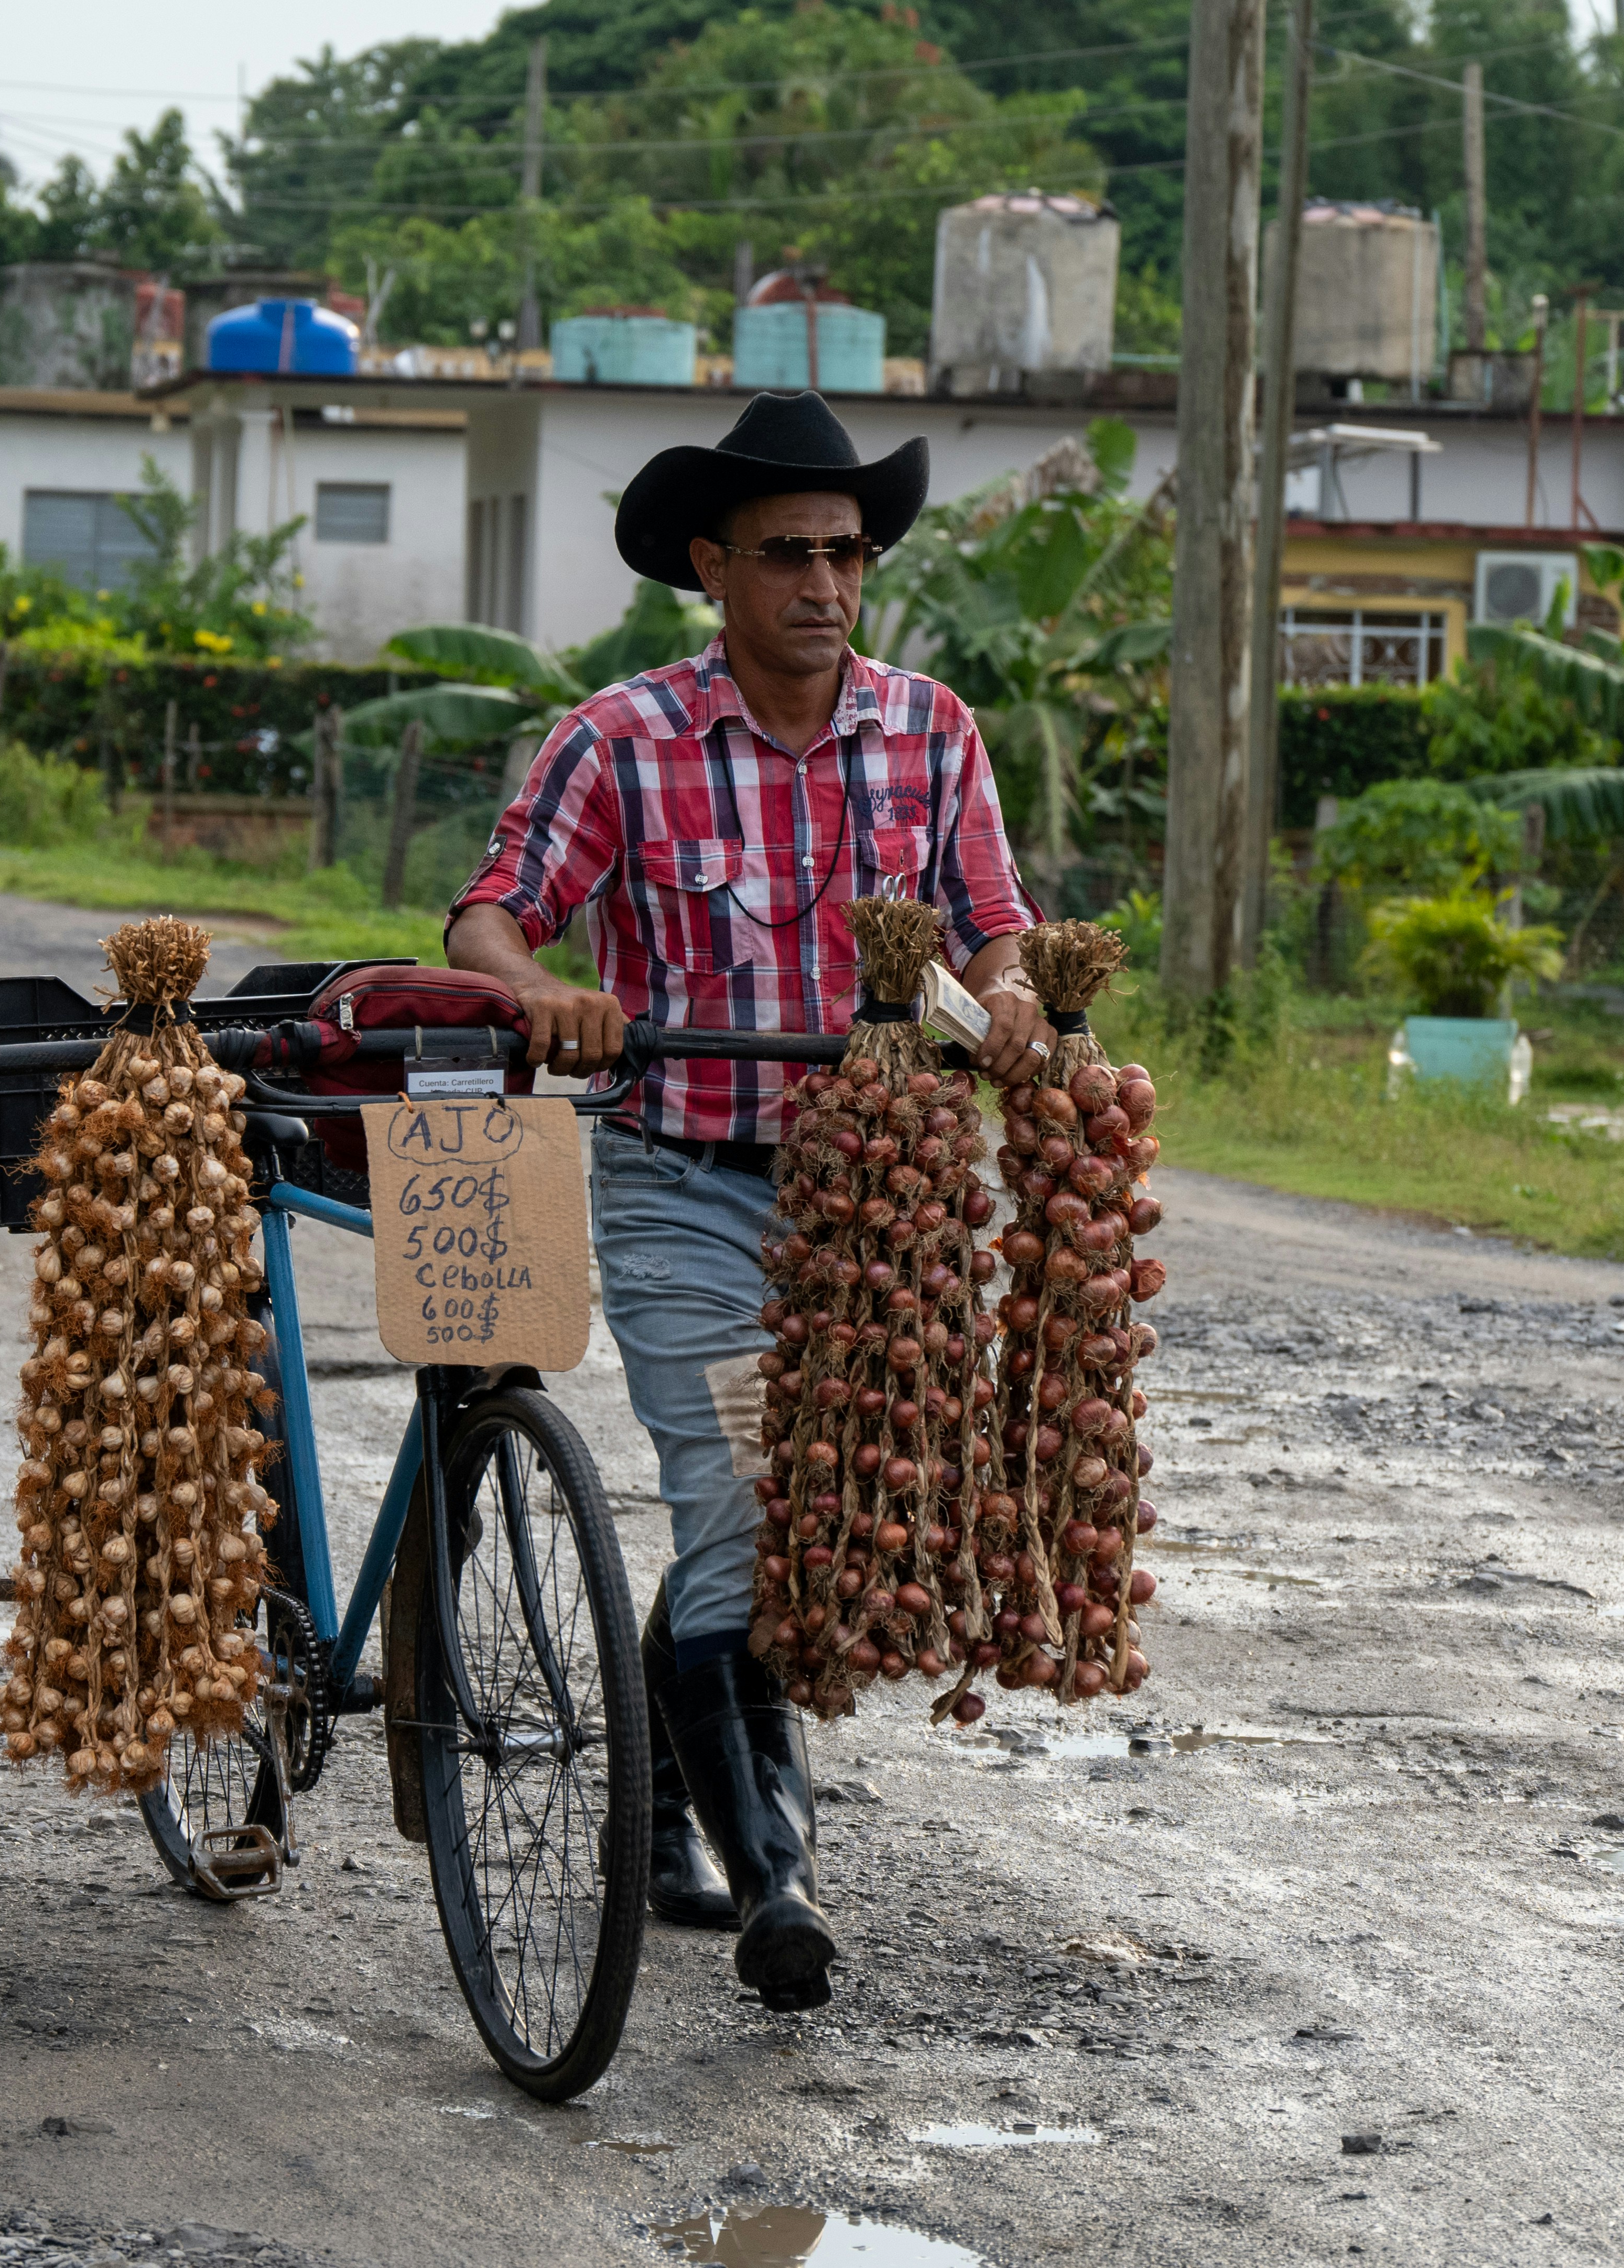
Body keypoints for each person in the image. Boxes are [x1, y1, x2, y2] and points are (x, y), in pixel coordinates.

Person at [447, 390, 1050, 2014]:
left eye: (849, 553)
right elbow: (492, 915)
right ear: (710, 564)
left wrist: (1021, 1008)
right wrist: (539, 995)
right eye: (789, 552)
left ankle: (664, 1794)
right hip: (683, 1178)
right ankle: (781, 1867)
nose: (825, 583)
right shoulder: (619, 737)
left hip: (882, 1202)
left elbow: (994, 922)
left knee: (805, 1507)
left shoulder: (934, 730)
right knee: (743, 1487)